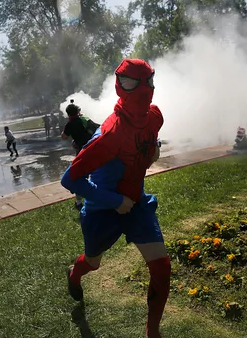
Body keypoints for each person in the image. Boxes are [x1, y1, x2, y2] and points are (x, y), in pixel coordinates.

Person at [61, 58, 169, 338]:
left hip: (136, 205)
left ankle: (152, 333)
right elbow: (69, 179)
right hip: (101, 211)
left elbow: (150, 138)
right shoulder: (109, 134)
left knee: (161, 269)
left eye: (149, 81)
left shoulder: (154, 117)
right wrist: (114, 202)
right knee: (92, 263)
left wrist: (154, 147)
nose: (144, 90)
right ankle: (74, 273)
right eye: (134, 83)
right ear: (121, 86)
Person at [62, 101, 100, 210]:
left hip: (82, 151)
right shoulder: (84, 119)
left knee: (77, 176)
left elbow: (64, 136)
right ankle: (99, 194)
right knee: (96, 172)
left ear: (69, 114)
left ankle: (79, 202)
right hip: (95, 148)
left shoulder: (70, 124)